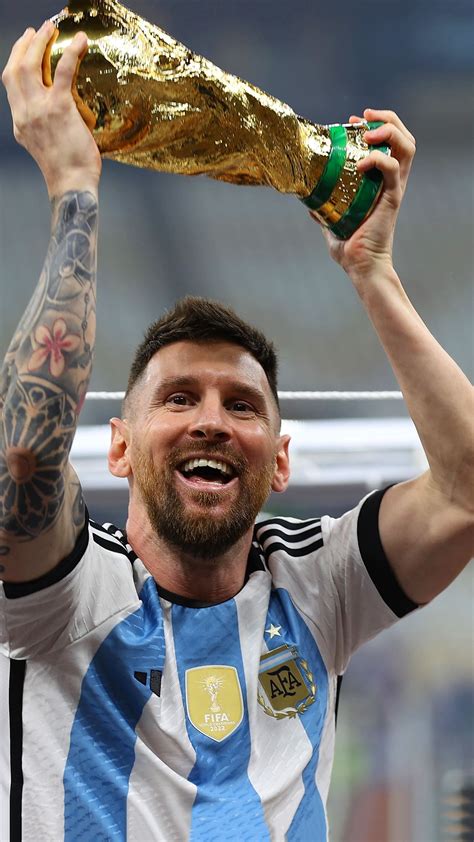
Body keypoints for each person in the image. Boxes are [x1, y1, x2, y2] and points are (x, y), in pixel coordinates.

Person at [0, 22, 472, 842]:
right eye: (180, 398)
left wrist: (373, 272)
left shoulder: (317, 587)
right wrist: (75, 188)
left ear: (280, 461)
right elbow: (24, 457)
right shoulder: (67, 594)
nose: (213, 422)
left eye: (243, 406)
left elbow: (465, 494)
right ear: (119, 448)